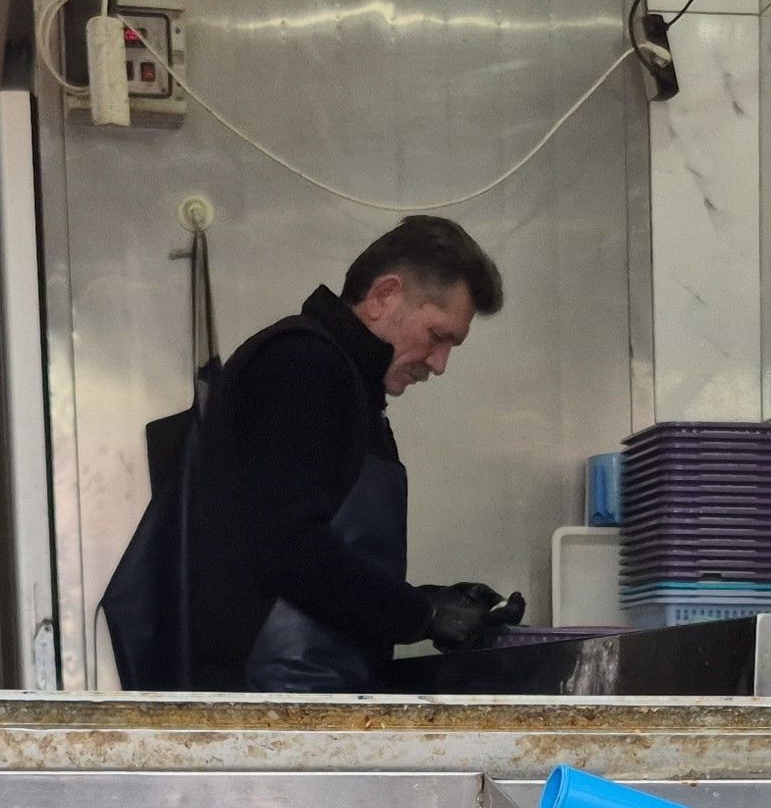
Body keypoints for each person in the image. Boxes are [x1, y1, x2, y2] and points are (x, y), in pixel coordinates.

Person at [103, 216, 526, 691]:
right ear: (385, 296)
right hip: (268, 703)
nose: (440, 363)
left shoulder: (347, 383)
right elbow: (286, 544)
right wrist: (420, 615)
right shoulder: (304, 365)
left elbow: (315, 552)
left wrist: (433, 603)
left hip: (305, 695)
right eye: (438, 335)